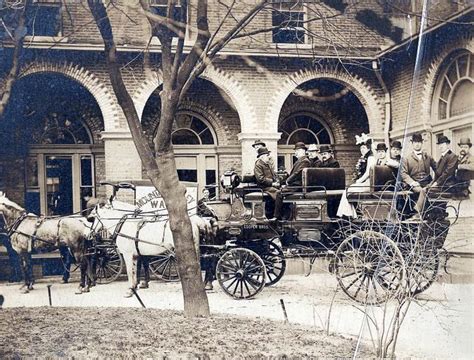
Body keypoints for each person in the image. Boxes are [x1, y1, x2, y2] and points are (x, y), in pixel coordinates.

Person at [411, 135, 458, 218]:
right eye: (439, 145)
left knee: (425, 191)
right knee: (424, 189)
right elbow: (437, 172)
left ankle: (419, 213)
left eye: (443, 144)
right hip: (441, 184)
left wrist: (436, 183)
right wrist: (432, 183)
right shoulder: (443, 156)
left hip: (447, 185)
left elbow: (447, 173)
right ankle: (426, 213)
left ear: (447, 144)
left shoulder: (452, 156)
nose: (441, 146)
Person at [254, 147, 282, 220]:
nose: (268, 157)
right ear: (262, 156)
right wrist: (272, 183)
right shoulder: (258, 165)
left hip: (270, 186)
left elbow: (273, 174)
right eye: (267, 155)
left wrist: (277, 180)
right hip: (264, 187)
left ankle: (280, 214)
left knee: (283, 191)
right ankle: (276, 216)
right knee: (279, 193)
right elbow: (260, 179)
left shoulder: (267, 164)